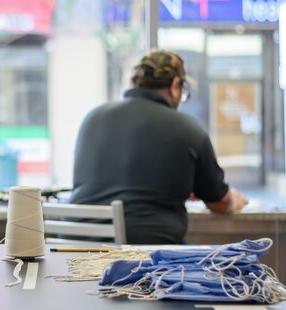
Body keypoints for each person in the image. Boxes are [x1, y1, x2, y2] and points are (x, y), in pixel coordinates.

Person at [70, 49, 248, 245]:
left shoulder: (92, 118)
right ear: (175, 86)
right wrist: (233, 198)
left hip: (75, 249)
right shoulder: (187, 128)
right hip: (145, 258)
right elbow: (220, 203)